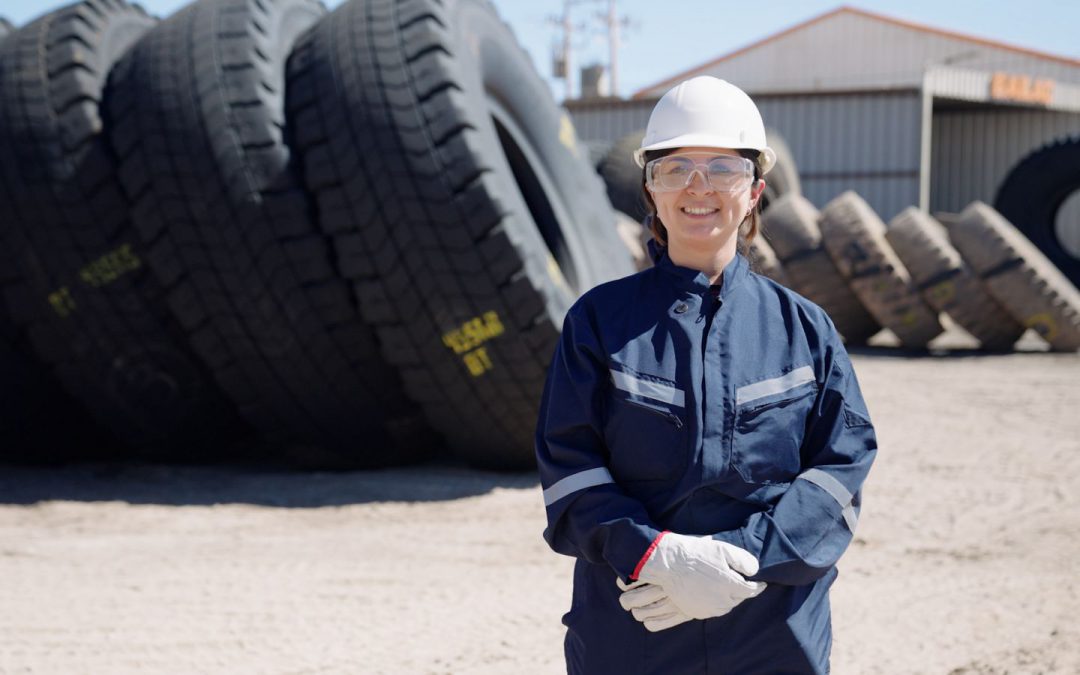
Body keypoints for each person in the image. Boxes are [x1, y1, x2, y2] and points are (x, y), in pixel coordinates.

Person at [534, 76, 878, 674]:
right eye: (675, 169)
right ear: (651, 191)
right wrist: (656, 557)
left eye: (723, 168)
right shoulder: (598, 323)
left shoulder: (804, 329)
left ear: (754, 192)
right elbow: (570, 474)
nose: (699, 187)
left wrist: (738, 560)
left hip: (774, 638)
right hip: (634, 630)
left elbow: (838, 475)